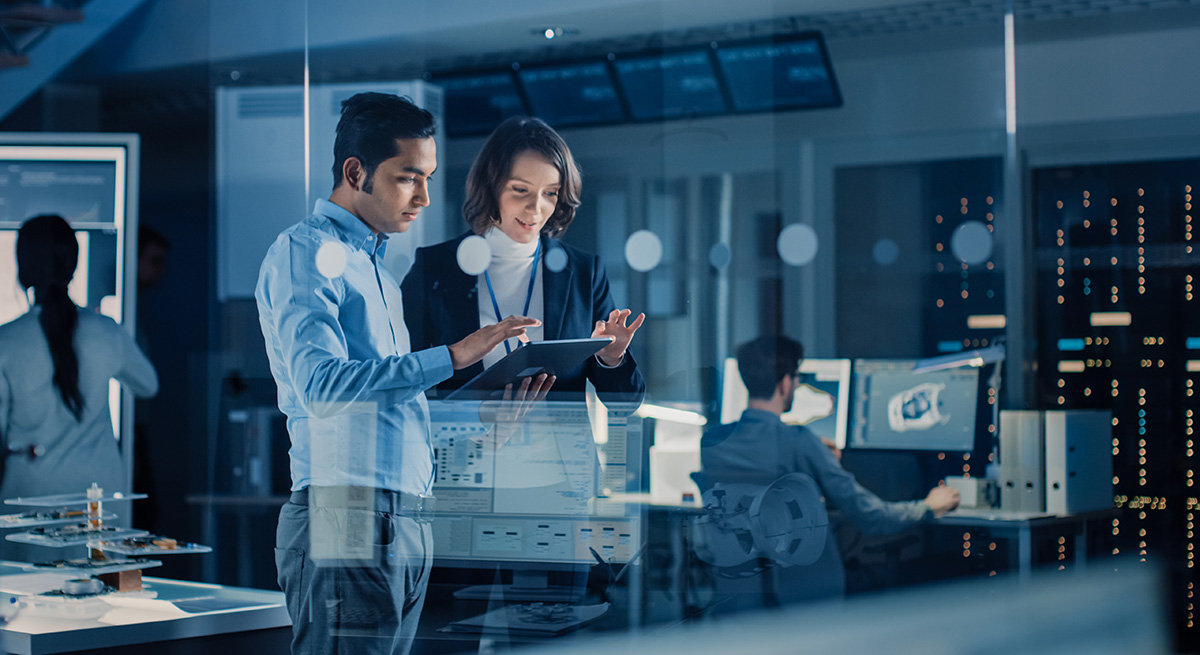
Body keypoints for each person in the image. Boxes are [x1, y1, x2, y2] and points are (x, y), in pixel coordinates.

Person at [256, 92, 548, 655]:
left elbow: (388, 408)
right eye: (407, 177)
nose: (423, 196)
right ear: (355, 172)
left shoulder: (379, 272)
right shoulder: (304, 251)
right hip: (345, 515)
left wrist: (480, 425)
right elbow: (321, 387)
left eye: (429, 177)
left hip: (405, 521)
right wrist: (455, 355)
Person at [700, 335, 959, 611]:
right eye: (797, 377)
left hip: (741, 594)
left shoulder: (712, 443)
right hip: (808, 596)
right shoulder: (799, 442)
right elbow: (871, 517)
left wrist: (813, 460)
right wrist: (929, 507)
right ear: (786, 382)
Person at [401, 115, 645, 404]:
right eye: (520, 190)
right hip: (466, 447)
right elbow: (402, 379)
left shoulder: (583, 273)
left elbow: (625, 404)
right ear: (491, 186)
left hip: (560, 448)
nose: (536, 208)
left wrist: (611, 358)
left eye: (550, 193)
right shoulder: (435, 268)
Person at [0, 214, 159, 560]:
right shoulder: (105, 330)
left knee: (27, 602)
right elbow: (147, 385)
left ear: (22, 267)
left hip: (28, 493)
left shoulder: (6, 340)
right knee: (102, 599)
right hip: (99, 496)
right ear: (73, 266)